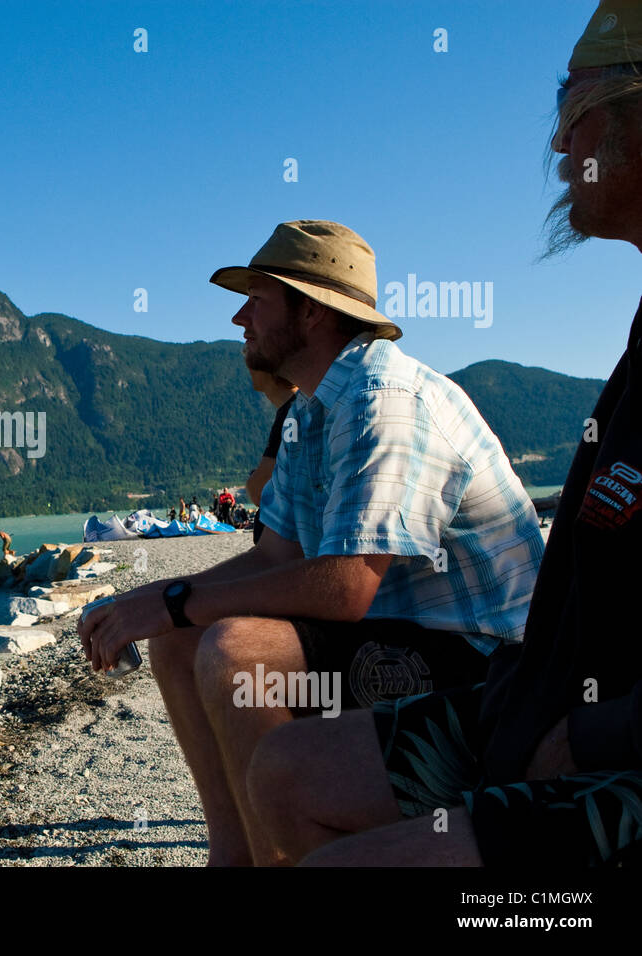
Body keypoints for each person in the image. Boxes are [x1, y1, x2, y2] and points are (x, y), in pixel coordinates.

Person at [247, 3, 642, 868]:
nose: (555, 146)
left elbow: (348, 586)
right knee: (283, 773)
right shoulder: (639, 343)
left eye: (572, 108)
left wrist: (598, 732)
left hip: (601, 731)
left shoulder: (385, 396)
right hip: (544, 694)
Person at [78, 219, 544, 866]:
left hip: (488, 664)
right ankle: (234, 856)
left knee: (236, 652)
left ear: (315, 311)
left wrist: (178, 600)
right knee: (180, 638)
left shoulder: (386, 401)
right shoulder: (309, 409)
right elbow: (277, 555)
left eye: (258, 298)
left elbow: (348, 585)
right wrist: (156, 599)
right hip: (404, 630)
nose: (240, 316)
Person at [245, 364, 299, 545]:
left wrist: (255, 478)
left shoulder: (292, 413)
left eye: (252, 357)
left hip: (285, 546)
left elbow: (259, 491)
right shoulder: (295, 407)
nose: (249, 366)